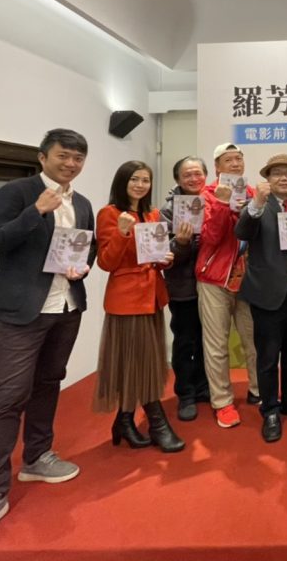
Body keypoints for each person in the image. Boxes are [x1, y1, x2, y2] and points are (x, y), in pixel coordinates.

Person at [0, 129, 94, 559]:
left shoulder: (83, 202)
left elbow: (85, 247)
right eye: (64, 156)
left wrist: (83, 266)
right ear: (43, 157)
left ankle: (37, 456)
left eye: (78, 158)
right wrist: (36, 211)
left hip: (66, 306)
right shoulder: (16, 192)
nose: (71, 164)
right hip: (21, 311)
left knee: (49, 382)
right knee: (8, 397)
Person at [93, 161, 183, 454]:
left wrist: (165, 258)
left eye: (145, 180)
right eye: (134, 179)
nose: (140, 185)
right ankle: (157, 423)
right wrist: (121, 232)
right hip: (127, 298)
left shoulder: (152, 213)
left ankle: (124, 420)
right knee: (138, 360)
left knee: (143, 361)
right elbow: (106, 262)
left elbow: (153, 256)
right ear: (122, 182)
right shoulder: (109, 213)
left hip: (153, 296)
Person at [235, 153, 287, 443]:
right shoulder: (258, 206)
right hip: (268, 292)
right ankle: (270, 409)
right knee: (268, 356)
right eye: (278, 173)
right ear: (268, 179)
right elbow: (242, 231)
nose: (284, 178)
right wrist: (256, 203)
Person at [194, 143, 261, 429]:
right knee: (216, 345)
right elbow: (210, 237)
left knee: (254, 340)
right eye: (228, 160)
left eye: (238, 159)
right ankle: (222, 402)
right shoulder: (206, 195)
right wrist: (222, 204)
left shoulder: (252, 194)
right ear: (217, 167)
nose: (235, 164)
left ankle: (258, 390)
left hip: (248, 280)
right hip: (214, 279)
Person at [159, 156, 210, 421]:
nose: (193, 179)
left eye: (197, 173)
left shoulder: (213, 202)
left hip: (212, 286)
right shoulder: (168, 210)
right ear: (178, 179)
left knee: (208, 341)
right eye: (187, 174)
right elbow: (164, 256)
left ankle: (203, 387)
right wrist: (181, 243)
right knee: (185, 341)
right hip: (183, 287)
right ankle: (186, 393)